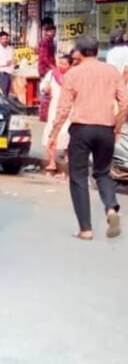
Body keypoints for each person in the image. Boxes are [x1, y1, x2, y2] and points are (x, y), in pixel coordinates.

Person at [49, 35, 128, 241]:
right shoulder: (111, 71)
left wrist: (54, 134)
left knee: (78, 177)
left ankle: (86, 229)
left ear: (79, 52)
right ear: (96, 51)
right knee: (102, 173)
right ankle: (110, 208)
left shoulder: (73, 74)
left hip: (81, 130)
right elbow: (125, 103)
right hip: (106, 129)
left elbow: (63, 109)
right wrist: (117, 127)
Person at [40, 53, 73, 177]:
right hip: (54, 109)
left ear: (70, 65)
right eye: (60, 63)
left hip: (70, 110)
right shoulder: (52, 74)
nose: (61, 66)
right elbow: (43, 87)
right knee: (52, 134)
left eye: (64, 64)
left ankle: (68, 162)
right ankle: (52, 162)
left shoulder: (73, 76)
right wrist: (45, 89)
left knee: (67, 136)